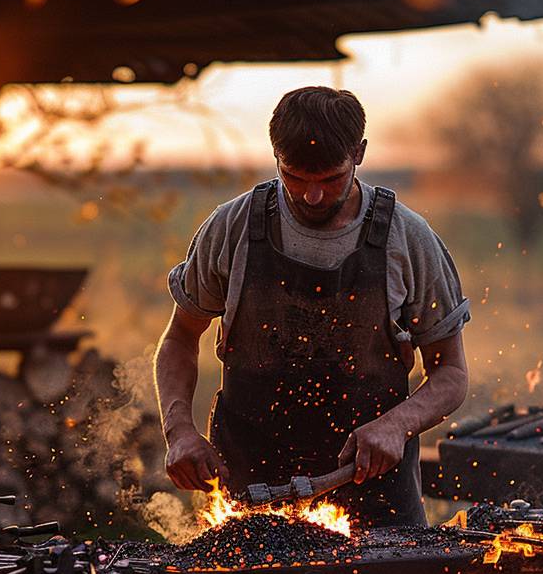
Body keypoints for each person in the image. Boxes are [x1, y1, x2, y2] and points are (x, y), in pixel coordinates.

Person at [154, 87, 469, 530]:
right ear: (276, 156)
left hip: (373, 487)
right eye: (296, 177)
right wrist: (180, 432)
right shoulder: (233, 227)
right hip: (250, 483)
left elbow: (451, 373)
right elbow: (181, 339)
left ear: (359, 153)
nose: (312, 197)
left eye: (330, 179)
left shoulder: (408, 239)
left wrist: (396, 425)